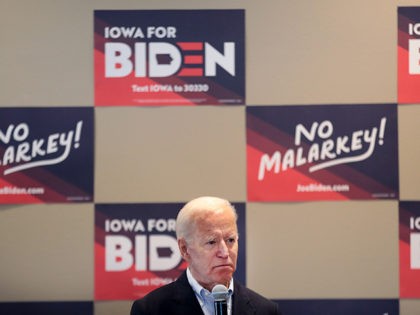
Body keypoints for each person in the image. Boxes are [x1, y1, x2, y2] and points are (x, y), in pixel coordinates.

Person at [130, 196, 281, 315]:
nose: (224, 252)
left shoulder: (266, 310)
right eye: (211, 242)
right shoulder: (150, 310)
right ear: (184, 249)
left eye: (230, 240)